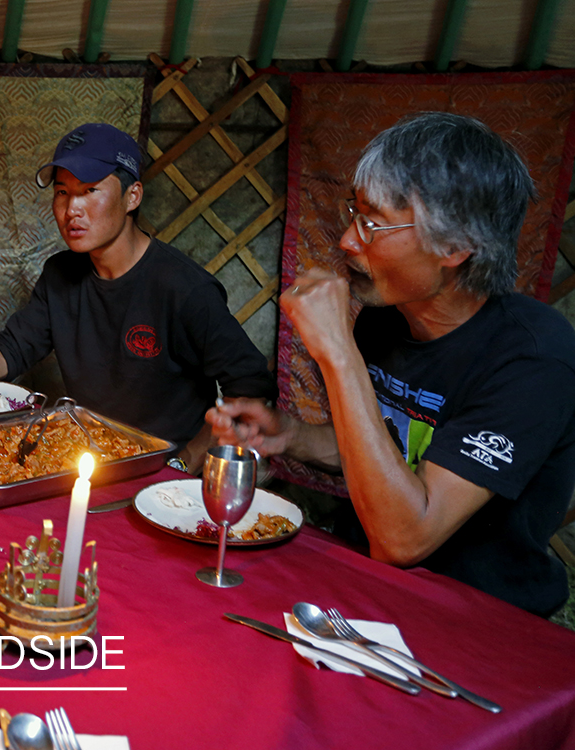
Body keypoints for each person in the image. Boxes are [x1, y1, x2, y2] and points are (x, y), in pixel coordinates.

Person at [208, 112, 575, 616]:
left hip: (479, 623)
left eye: (373, 223)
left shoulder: (534, 359)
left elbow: (405, 537)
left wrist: (337, 353)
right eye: (353, 213)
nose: (347, 241)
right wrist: (292, 435)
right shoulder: (385, 320)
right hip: (365, 595)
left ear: (455, 246)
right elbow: (383, 451)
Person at [0, 123, 275, 470]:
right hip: (86, 460)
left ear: (132, 196)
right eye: (63, 193)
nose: (72, 210)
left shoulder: (185, 289)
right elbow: (10, 352)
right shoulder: (61, 274)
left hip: (161, 472)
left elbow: (250, 390)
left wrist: (183, 463)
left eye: (90, 191)